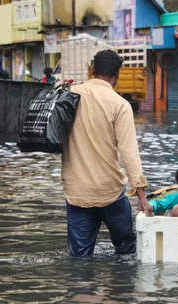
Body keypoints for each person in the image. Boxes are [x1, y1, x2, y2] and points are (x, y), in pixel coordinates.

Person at [62, 50, 150, 257]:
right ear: (117, 75)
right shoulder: (119, 105)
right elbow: (130, 154)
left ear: (92, 70)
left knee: (79, 260)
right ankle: (122, 289)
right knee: (127, 252)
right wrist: (142, 198)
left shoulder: (69, 96)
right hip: (110, 192)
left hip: (77, 193)